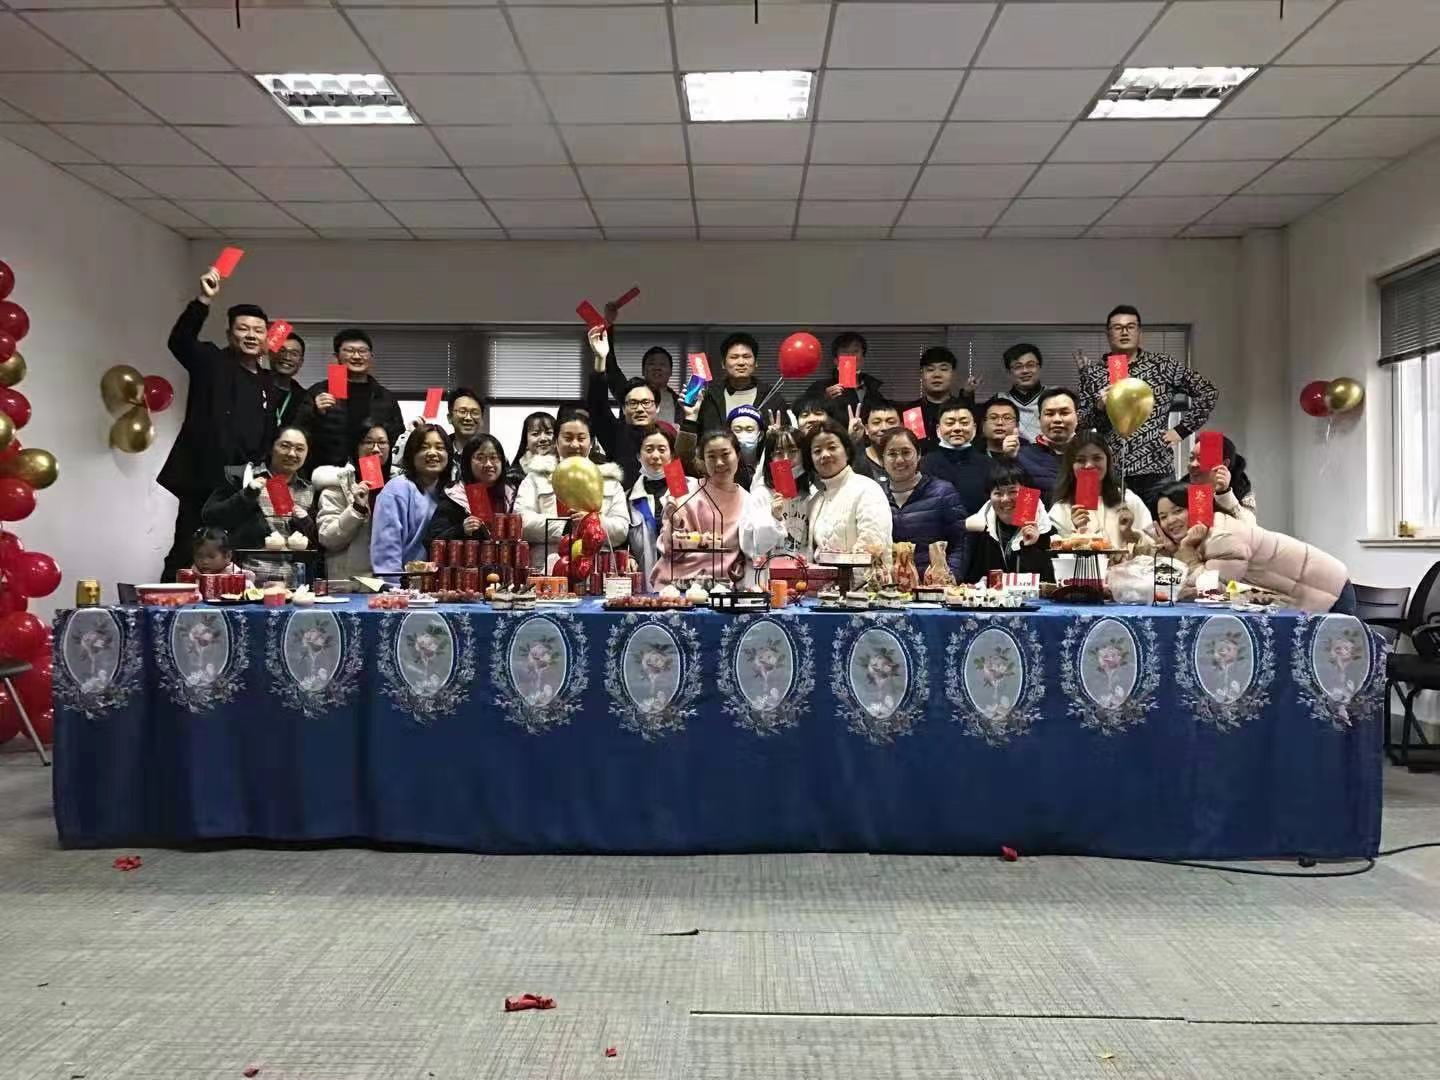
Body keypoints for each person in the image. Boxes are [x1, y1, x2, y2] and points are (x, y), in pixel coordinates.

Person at [159, 266, 277, 581]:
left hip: (241, 484)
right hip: (203, 477)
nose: (251, 335)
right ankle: (169, 603)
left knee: (233, 555)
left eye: (258, 330)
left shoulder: (268, 381)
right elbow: (179, 342)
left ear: (266, 338)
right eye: (243, 329)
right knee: (189, 549)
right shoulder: (212, 361)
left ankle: (231, 603)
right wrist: (203, 300)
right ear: (229, 335)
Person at [1078, 305, 1218, 507]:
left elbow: (1208, 392)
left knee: (1164, 523)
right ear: (1108, 334)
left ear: (1140, 333)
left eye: (1130, 327)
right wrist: (1099, 406)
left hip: (1157, 467)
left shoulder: (1163, 365)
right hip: (1112, 471)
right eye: (1117, 327)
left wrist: (1181, 430)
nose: (1124, 332)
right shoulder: (1093, 374)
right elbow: (1081, 422)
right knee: (1115, 525)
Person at [1152, 482, 1352, 613]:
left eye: (1178, 511)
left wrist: (1185, 552)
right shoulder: (1202, 535)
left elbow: (1212, 592)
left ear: (1198, 508)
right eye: (1163, 517)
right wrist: (1176, 551)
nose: (1170, 521)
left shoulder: (1220, 536)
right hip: (1302, 593)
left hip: (1328, 591)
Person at [515, 409, 630, 570]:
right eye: (568, 438)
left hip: (595, 569)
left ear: (591, 442)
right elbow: (520, 522)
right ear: (556, 441)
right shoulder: (536, 477)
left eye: (581, 438)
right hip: (546, 569)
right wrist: (565, 526)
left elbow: (621, 530)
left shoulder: (609, 481)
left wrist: (591, 523)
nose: (575, 445)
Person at [201, 424, 318, 583]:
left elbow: (317, 541)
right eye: (285, 446)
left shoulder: (308, 489)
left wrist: (305, 521)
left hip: (294, 583)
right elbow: (210, 517)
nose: (292, 453)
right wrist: (246, 495)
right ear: (271, 447)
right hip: (246, 580)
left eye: (299, 449)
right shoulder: (244, 477)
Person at [653, 431, 753, 587]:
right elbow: (668, 551)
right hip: (677, 584)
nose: (719, 463)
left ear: (738, 455)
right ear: (703, 460)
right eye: (711, 456)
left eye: (725, 454)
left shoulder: (749, 500)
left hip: (723, 587)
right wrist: (675, 523)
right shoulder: (685, 493)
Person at [298, 328, 405, 471]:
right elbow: (299, 433)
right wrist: (316, 413)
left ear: (371, 356)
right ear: (336, 357)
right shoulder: (318, 391)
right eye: (349, 351)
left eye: (362, 351)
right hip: (327, 472)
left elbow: (396, 438)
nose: (356, 356)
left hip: (372, 471)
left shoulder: (385, 397)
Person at [877, 428, 968, 579]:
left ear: (918, 455)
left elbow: (961, 542)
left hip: (934, 584)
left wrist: (951, 576)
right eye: (892, 454)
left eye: (906, 452)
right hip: (889, 586)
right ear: (882, 459)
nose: (899, 460)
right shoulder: (875, 495)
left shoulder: (943, 492)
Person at [803, 418, 892, 562]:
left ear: (847, 451)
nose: (825, 455)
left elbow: (873, 548)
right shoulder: (814, 502)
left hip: (864, 576)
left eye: (832, 447)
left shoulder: (867, 489)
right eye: (817, 451)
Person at [1048, 431, 1155, 551]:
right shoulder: (1061, 508)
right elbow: (1054, 552)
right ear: (1071, 466)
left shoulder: (1128, 500)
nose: (1089, 465)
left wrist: (1130, 534)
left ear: (1108, 460)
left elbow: (1155, 548)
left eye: (1097, 458)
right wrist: (1077, 534)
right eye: (1080, 460)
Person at [314, 422, 393, 582]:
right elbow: (327, 538)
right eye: (368, 442)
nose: (376, 449)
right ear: (356, 447)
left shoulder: (398, 485)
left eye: (382, 442)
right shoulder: (337, 486)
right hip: (349, 583)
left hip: (388, 581)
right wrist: (356, 509)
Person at [370, 423, 450, 577]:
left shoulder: (452, 491)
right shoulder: (396, 490)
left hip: (443, 585)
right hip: (405, 585)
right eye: (424, 448)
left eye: (440, 448)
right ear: (411, 453)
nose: (432, 453)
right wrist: (393, 585)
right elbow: (386, 550)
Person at [963, 462, 1055, 583]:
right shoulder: (978, 530)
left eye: (1013, 492)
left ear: (1027, 493)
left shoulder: (1047, 531)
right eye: (998, 493)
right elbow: (972, 580)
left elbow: (1050, 581)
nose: (1005, 499)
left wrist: (1030, 548)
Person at [627, 424, 697, 582]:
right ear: (638, 456)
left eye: (662, 449)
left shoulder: (691, 489)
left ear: (672, 454)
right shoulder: (630, 498)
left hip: (686, 584)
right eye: (649, 449)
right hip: (646, 585)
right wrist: (628, 556)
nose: (655, 456)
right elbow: (624, 543)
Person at [424, 434, 514, 544]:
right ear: (468, 462)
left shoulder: (512, 494)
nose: (488, 464)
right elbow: (431, 541)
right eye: (480, 458)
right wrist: (461, 530)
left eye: (494, 458)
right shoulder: (456, 495)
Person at [740, 426, 813, 557]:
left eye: (793, 451)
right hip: (769, 568)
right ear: (770, 458)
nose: (786, 459)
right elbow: (753, 548)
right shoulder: (760, 494)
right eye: (779, 453)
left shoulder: (812, 493)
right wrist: (774, 518)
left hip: (805, 568)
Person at [697, 332, 786, 433]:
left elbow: (787, 438)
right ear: (723, 364)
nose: (741, 362)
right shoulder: (709, 398)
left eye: (746, 357)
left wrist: (777, 436)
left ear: (756, 362)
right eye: (734, 357)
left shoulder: (773, 398)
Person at [920, 399, 990, 512]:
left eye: (964, 423)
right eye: (950, 423)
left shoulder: (989, 465)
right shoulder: (924, 465)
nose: (957, 428)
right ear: (938, 430)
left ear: (974, 428)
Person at [802, 331, 885, 425]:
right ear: (836, 361)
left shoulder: (872, 389)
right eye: (845, 352)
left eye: (856, 351)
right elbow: (800, 411)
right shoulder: (820, 387)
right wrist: (823, 399)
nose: (851, 356)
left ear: (862, 359)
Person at [906, 346, 975, 453]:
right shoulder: (911, 412)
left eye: (944, 369)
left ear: (953, 374)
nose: (937, 375)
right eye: (930, 370)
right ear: (921, 374)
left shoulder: (964, 409)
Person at [1017, 387, 1081, 498]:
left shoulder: (1092, 455)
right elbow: (1025, 506)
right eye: (1049, 414)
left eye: (1064, 413)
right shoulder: (1023, 457)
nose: (1057, 419)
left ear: (1077, 417)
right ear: (1039, 419)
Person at [1188, 435, 1257, 524]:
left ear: (1224, 464)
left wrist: (1224, 493)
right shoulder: (1182, 488)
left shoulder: (1241, 490)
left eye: (1201, 459)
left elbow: (1250, 528)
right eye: (1191, 458)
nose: (1193, 464)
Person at [997, 343, 1049, 442]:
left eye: (1030, 365)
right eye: (1018, 367)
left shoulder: (1055, 396)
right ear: (1008, 372)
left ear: (1039, 367)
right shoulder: (999, 400)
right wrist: (968, 394)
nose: (1025, 371)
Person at [852, 398, 902, 479]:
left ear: (901, 426)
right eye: (876, 422)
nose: (884, 428)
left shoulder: (909, 459)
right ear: (866, 429)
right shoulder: (855, 458)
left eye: (891, 422)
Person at [504, 411, 555, 487]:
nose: (543, 438)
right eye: (535, 434)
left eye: (548, 432)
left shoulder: (566, 467)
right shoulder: (513, 476)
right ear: (526, 441)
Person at [269, 331, 307, 429]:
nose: (287, 357)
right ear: (271, 354)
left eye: (294, 354)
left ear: (301, 362)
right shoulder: (254, 384)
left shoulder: (303, 398)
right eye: (282, 351)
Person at [979, 397, 1025, 463]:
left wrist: (1011, 458)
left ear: (1017, 425)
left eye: (1007, 418)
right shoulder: (971, 454)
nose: (999, 423)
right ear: (983, 425)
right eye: (993, 418)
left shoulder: (1030, 454)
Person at [727, 404, 765, 476]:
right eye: (737, 430)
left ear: (760, 436)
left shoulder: (767, 466)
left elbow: (785, 482)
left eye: (749, 430)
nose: (743, 435)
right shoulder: (722, 467)